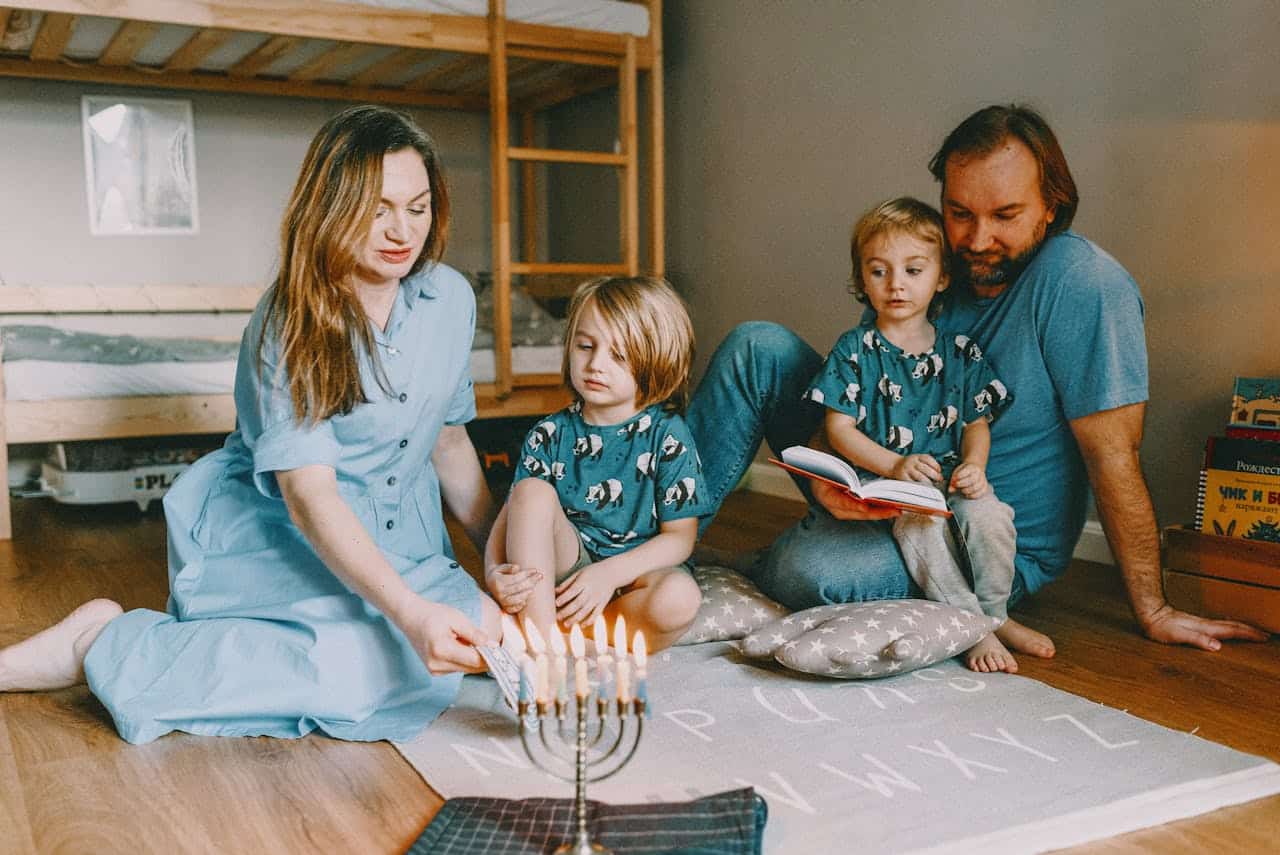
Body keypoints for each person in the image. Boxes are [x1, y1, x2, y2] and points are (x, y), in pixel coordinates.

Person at [0, 105, 507, 743]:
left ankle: (364, 633)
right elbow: (308, 492)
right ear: (330, 207)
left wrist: (499, 556)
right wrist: (408, 612)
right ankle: (106, 641)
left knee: (484, 630)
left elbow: (450, 442)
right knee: (359, 669)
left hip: (401, 534)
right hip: (282, 532)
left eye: (418, 206)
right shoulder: (286, 321)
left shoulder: (451, 298)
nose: (401, 230)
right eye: (377, 208)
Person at [687, 104, 1269, 652]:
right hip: (888, 491)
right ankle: (648, 554)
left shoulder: (1083, 284)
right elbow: (854, 398)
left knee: (808, 573)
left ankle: (749, 565)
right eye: (960, 213)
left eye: (1005, 215)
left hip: (976, 542)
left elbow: (1114, 455)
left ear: (1051, 205)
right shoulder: (930, 263)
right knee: (755, 346)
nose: (978, 239)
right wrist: (824, 479)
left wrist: (1154, 608)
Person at [806, 196, 1052, 672]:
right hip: (896, 488)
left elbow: (975, 423)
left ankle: (997, 616)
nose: (896, 284)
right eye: (879, 272)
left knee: (991, 518)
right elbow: (839, 429)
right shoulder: (856, 349)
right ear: (862, 281)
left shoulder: (960, 353)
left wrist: (975, 466)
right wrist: (893, 467)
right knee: (926, 527)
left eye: (913, 270)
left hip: (952, 476)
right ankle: (968, 627)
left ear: (940, 278)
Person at [485, 276, 704, 652]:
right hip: (563, 575)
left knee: (680, 598)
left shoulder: (668, 434)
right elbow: (509, 518)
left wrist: (608, 575)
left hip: (634, 577)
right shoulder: (549, 434)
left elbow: (680, 538)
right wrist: (493, 574)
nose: (595, 364)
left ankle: (582, 638)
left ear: (657, 361)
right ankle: (543, 644)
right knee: (531, 491)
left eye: (618, 355)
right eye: (585, 346)